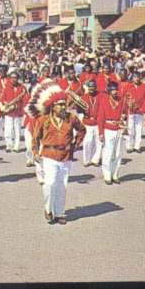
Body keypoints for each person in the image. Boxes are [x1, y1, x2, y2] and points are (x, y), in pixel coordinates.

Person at [32, 87, 86, 225]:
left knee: (62, 185)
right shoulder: (43, 119)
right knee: (50, 183)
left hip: (66, 156)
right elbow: (35, 138)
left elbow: (82, 130)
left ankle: (59, 213)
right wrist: (35, 152)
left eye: (64, 104)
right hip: (49, 155)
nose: (63, 107)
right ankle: (48, 209)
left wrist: (75, 145)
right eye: (60, 105)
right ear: (52, 106)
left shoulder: (71, 118)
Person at [98, 81, 126, 184]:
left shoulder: (121, 100)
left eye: (115, 90)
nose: (114, 92)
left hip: (118, 128)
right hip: (108, 128)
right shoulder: (104, 100)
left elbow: (125, 111)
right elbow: (100, 117)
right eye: (112, 90)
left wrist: (124, 116)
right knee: (108, 153)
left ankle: (115, 175)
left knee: (118, 153)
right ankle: (107, 175)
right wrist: (101, 132)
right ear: (109, 91)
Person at [0, 71, 28, 153]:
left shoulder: (22, 88)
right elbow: (2, 99)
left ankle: (17, 146)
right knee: (8, 130)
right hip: (9, 112)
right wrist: (5, 103)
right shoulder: (6, 88)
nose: (13, 79)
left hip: (18, 113)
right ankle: (9, 145)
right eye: (11, 78)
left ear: (18, 78)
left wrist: (18, 106)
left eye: (15, 77)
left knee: (17, 131)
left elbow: (25, 100)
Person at [79, 80, 103, 167]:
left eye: (92, 87)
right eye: (89, 87)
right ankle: (86, 160)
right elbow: (79, 111)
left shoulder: (100, 96)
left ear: (95, 87)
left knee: (98, 142)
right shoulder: (83, 97)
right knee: (87, 142)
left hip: (97, 122)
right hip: (87, 122)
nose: (91, 88)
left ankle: (95, 159)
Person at [122, 72, 145, 153]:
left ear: (140, 78)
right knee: (130, 129)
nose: (136, 79)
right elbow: (124, 99)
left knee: (139, 129)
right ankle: (129, 146)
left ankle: (137, 146)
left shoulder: (144, 86)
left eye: (138, 77)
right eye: (135, 77)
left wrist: (142, 109)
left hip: (139, 111)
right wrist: (124, 111)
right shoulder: (128, 86)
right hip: (130, 111)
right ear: (132, 78)